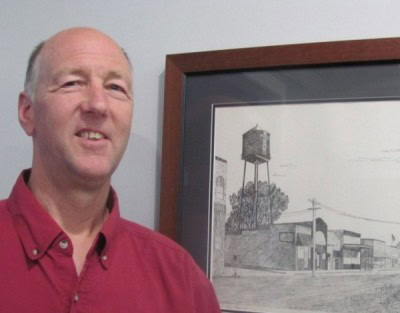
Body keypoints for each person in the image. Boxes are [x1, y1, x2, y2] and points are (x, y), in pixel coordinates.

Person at [0, 27, 221, 312]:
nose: (98, 104)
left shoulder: (181, 278)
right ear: (27, 112)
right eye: (72, 83)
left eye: (115, 88)